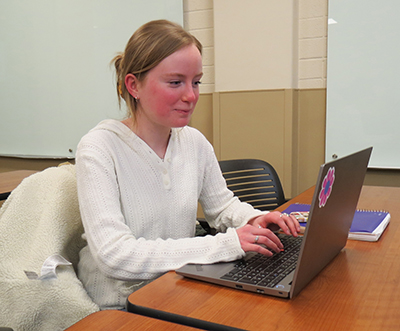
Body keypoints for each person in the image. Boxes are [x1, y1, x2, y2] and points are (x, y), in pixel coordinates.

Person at [75, 19, 300, 310]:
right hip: (118, 306)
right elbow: (115, 256)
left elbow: (223, 208)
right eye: (175, 82)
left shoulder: (194, 142)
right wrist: (225, 245)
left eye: (196, 82)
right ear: (134, 85)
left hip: (175, 287)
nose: (191, 96)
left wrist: (254, 220)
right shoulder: (99, 148)